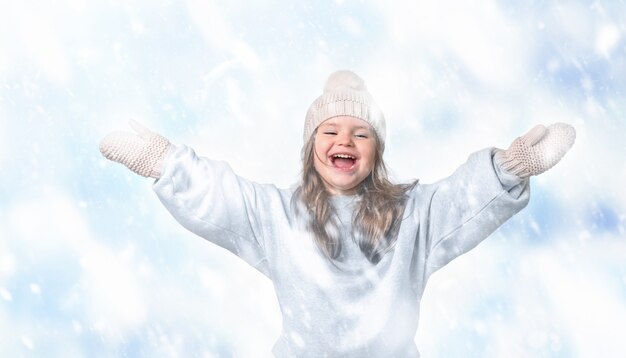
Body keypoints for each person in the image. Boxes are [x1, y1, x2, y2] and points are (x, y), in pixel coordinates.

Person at [99, 70, 575, 357]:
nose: (344, 141)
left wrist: (511, 167)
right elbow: (222, 195)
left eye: (361, 133)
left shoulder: (411, 217)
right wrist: (162, 161)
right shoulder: (279, 217)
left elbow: (460, 198)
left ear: (377, 151)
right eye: (330, 131)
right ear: (311, 148)